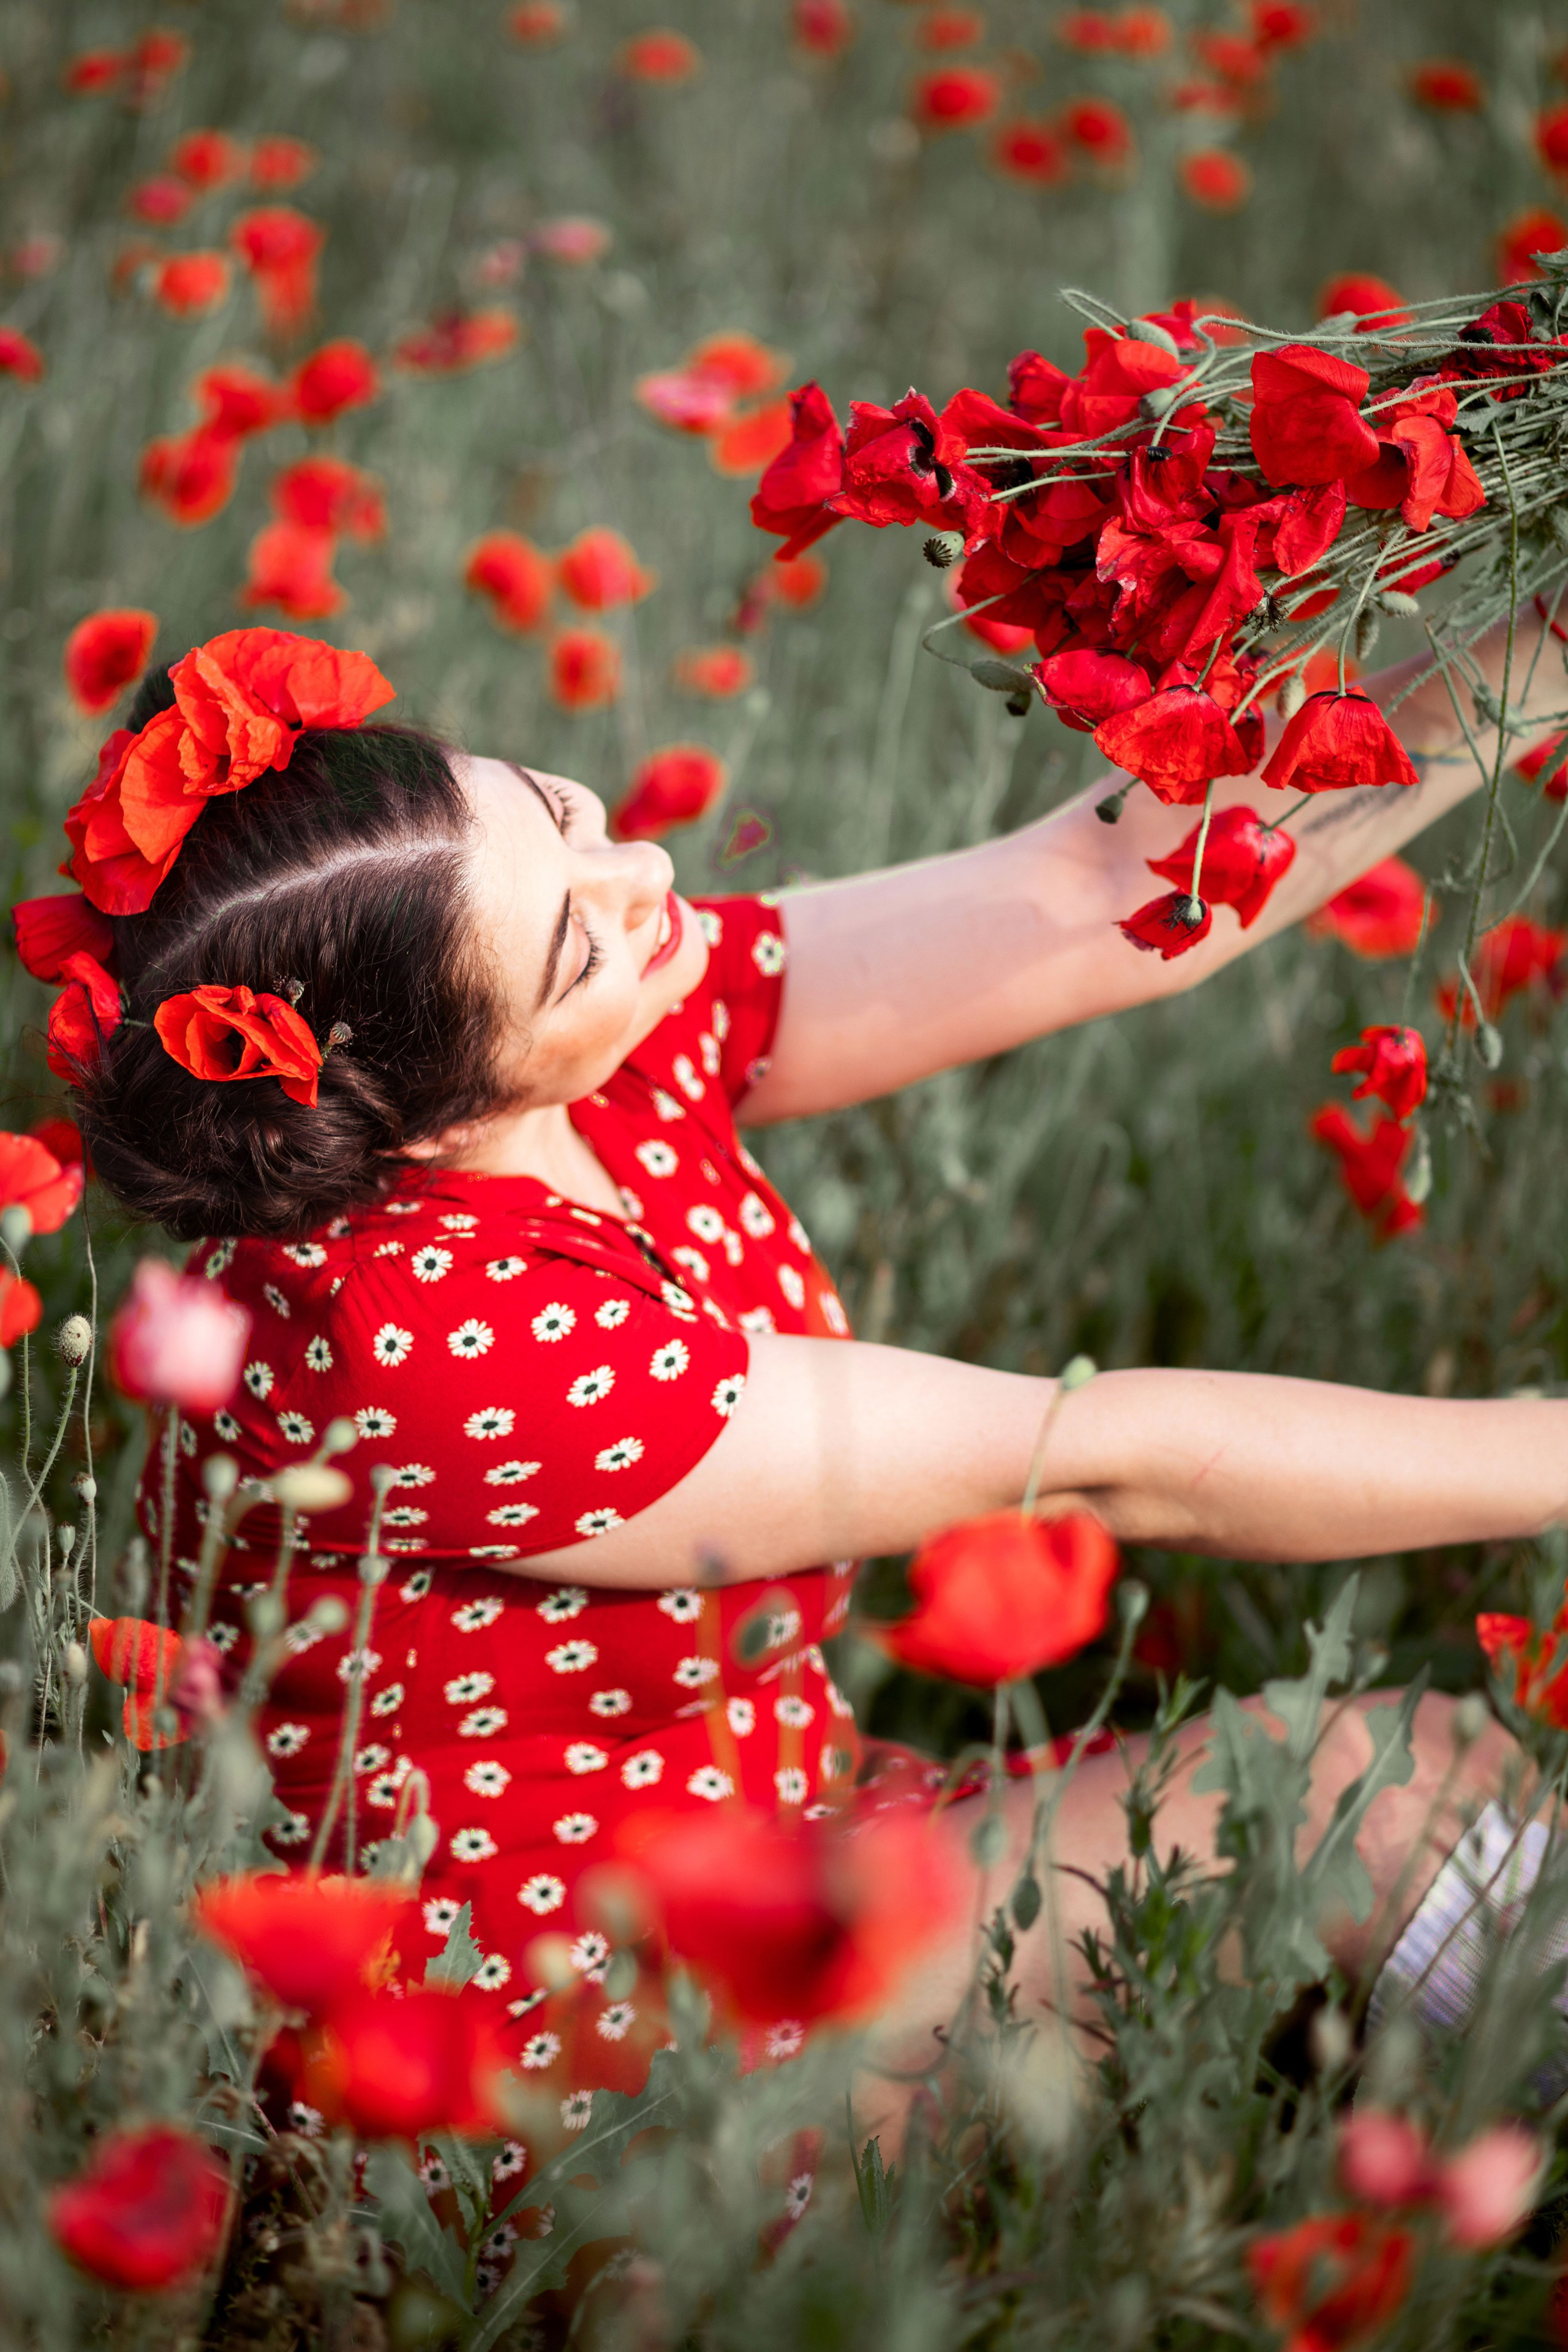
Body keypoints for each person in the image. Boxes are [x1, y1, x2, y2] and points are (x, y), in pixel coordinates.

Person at [50, 619, 1568, 2141]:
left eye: (559, 811)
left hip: (772, 1838)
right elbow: (1115, 1458)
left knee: (1463, 1771)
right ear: (419, 1120)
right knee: (1374, 1791)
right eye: (574, 932)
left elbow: (1108, 889)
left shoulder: (593, 1029)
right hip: (598, 2061)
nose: (643, 879)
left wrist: (1537, 644)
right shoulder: (437, 1344)